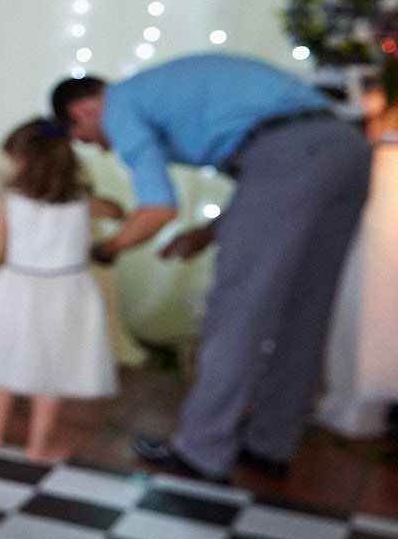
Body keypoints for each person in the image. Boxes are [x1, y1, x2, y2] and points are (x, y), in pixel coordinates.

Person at [56, 53, 372, 483]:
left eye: (88, 138)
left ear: (83, 110)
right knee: (307, 310)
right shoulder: (159, 85)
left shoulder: (121, 105)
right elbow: (276, 176)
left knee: (236, 313)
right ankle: (271, 443)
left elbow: (158, 208)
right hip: (347, 148)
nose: (101, 146)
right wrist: (207, 233)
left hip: (288, 157)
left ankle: (202, 450)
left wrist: (105, 250)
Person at [0, 118, 125, 461]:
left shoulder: (11, 200)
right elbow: (118, 211)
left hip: (18, 287)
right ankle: (39, 446)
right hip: (68, 291)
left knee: (6, 360)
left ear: (24, 162)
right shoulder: (81, 198)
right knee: (53, 371)